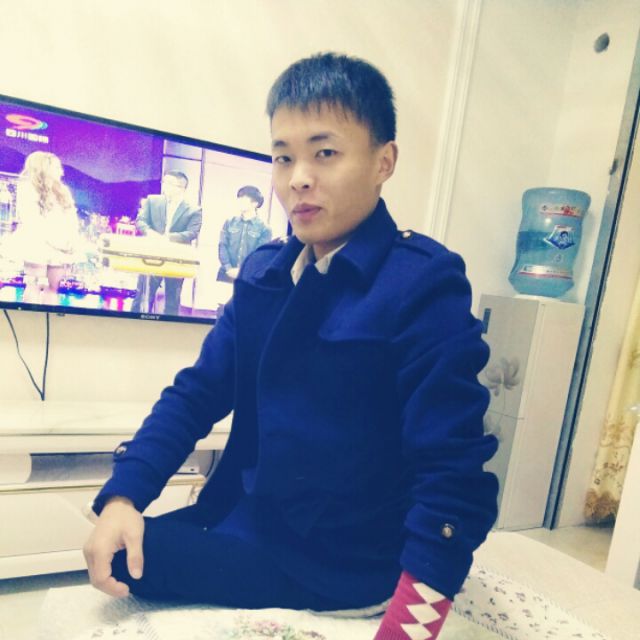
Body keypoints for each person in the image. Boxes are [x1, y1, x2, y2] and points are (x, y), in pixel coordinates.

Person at [84, 53, 498, 640]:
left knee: (137, 562)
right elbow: (196, 394)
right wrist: (124, 496)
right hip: (255, 518)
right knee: (117, 547)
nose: (298, 178)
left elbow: (454, 469)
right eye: (283, 157)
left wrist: (410, 623)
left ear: (384, 162)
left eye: (324, 153)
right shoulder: (264, 273)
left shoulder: (421, 281)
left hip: (347, 557)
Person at [11, 151, 80, 302]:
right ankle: (30, 316)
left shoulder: (63, 191)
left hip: (61, 247)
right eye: (57, 168)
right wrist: (57, 241)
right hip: (37, 244)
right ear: (45, 168)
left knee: (53, 287)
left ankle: (50, 314)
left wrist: (70, 241)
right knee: (34, 285)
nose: (61, 172)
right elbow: (32, 221)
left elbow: (72, 218)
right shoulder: (28, 189)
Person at [130, 171, 202, 315]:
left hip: (176, 259)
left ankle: (168, 327)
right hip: (151, 256)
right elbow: (140, 221)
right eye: (164, 182)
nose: (165, 186)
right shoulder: (152, 201)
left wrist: (167, 238)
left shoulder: (194, 210)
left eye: (169, 183)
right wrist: (150, 233)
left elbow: (192, 233)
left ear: (181, 188)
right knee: (142, 298)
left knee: (172, 301)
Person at [217, 185, 272, 282]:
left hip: (249, 276)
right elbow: (222, 246)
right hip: (226, 273)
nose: (239, 202)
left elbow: (260, 254)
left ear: (255, 203)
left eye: (243, 199)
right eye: (239, 198)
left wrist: (242, 271)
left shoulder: (264, 228)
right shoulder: (230, 222)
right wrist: (228, 268)